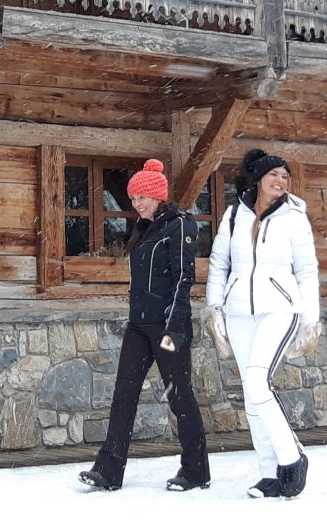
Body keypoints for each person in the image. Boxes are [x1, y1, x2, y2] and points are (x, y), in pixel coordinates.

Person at [79, 159, 211, 492]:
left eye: (143, 196)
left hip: (167, 327)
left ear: (158, 196)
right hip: (138, 326)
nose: (137, 203)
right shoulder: (145, 229)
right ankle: (109, 470)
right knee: (124, 395)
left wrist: (174, 329)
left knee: (179, 398)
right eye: (134, 197)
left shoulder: (180, 225)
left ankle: (196, 471)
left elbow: (183, 279)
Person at [204, 149, 320, 499]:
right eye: (274, 175)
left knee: (257, 380)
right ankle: (270, 474)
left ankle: (293, 459)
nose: (280, 181)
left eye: (285, 176)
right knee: (252, 396)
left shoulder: (295, 217)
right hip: (239, 310)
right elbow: (218, 263)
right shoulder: (233, 214)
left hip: (280, 308)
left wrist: (310, 319)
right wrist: (214, 308)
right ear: (258, 179)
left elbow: (307, 269)